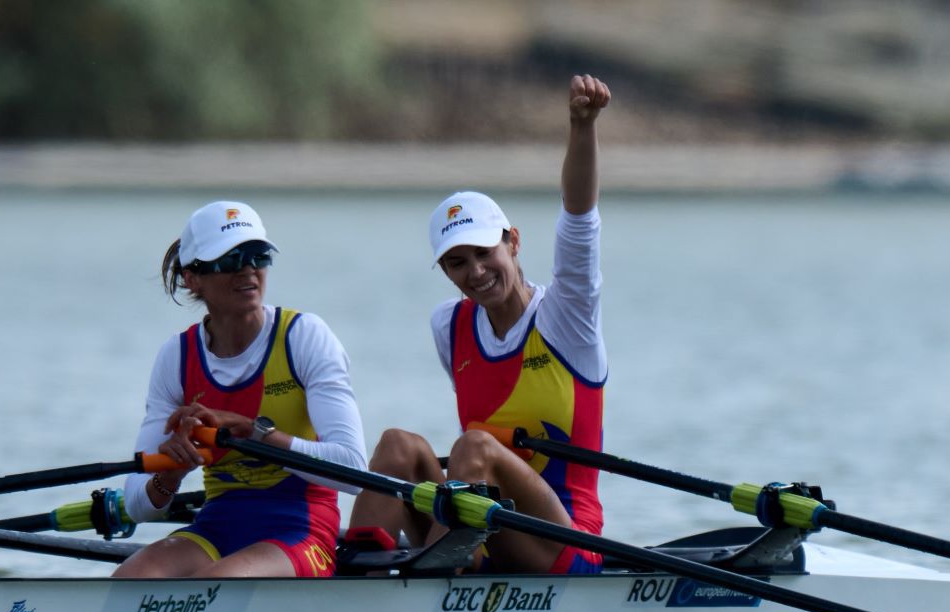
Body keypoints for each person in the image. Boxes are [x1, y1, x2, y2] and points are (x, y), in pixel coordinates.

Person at [347, 74, 611, 574]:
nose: (476, 272)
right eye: (457, 263)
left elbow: (580, 219)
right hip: (486, 523)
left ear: (513, 241)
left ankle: (443, 568)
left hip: (564, 539)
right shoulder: (449, 325)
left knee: (474, 447)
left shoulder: (568, 314)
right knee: (397, 445)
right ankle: (358, 569)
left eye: (484, 252)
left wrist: (582, 126)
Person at [114, 200, 367, 578]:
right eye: (230, 260)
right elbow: (137, 505)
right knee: (131, 580)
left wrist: (256, 434)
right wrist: (173, 472)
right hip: (218, 527)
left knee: (215, 584)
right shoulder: (177, 357)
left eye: (257, 255)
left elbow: (352, 470)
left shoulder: (304, 336)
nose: (248, 269)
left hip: (302, 528)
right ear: (192, 278)